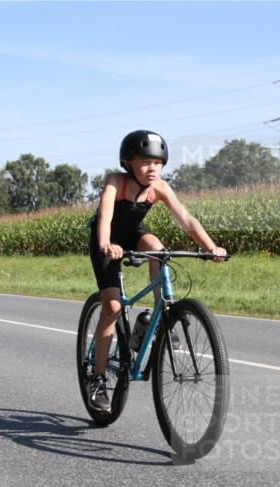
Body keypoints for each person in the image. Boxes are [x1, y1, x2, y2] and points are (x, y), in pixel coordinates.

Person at [86, 130, 226, 412]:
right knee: (112, 307)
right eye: (146, 162)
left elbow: (186, 218)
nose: (153, 169)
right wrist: (106, 244)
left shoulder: (159, 187)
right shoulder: (117, 182)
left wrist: (211, 247)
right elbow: (106, 216)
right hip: (106, 240)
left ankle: (160, 314)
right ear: (129, 163)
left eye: (158, 163)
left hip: (133, 236)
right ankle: (97, 377)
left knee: (157, 247)